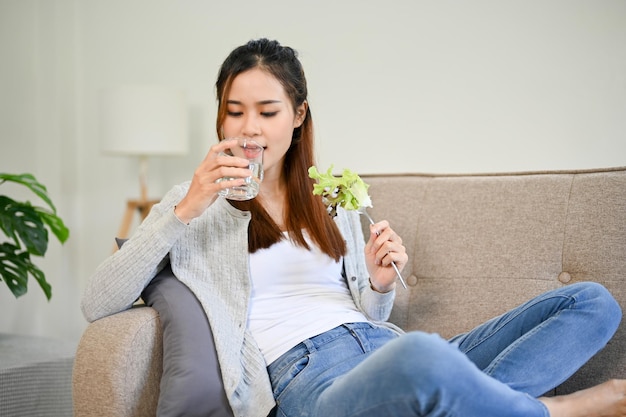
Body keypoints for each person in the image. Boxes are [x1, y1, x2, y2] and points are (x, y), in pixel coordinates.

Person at [82, 38, 626, 417]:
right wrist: (186, 209)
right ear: (220, 117)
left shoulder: (327, 197)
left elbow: (365, 311)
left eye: (267, 112)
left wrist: (379, 285)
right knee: (422, 357)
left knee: (592, 303)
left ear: (297, 117)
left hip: (378, 346)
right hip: (305, 378)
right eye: (234, 111)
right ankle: (555, 410)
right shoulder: (190, 203)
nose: (249, 129)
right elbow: (98, 302)